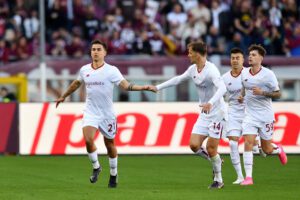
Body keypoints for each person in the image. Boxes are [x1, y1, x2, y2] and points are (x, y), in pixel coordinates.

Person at [56, 39, 152, 188]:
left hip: (107, 114)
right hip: (91, 112)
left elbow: (126, 86)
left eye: (99, 49)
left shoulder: (111, 70)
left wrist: (144, 87)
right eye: (93, 49)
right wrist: (63, 95)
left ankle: (114, 173)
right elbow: (76, 83)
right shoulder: (84, 70)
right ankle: (96, 167)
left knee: (109, 144)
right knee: (88, 140)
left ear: (105, 53)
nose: (95, 51)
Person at [148, 41, 227, 189]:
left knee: (211, 149)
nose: (188, 54)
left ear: (198, 53)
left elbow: (222, 88)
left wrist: (210, 102)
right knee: (194, 145)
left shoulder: (212, 70)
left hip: (217, 113)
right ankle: (217, 160)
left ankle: (218, 180)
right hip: (204, 113)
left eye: (190, 52)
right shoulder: (193, 69)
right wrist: (158, 87)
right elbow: (178, 79)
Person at [239, 44, 287, 186]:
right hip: (250, 115)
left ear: (261, 58)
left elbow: (278, 94)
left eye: (254, 55)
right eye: (250, 55)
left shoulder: (268, 74)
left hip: (265, 116)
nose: (250, 57)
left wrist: (263, 93)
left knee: (266, 150)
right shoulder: (244, 73)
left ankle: (278, 149)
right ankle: (249, 178)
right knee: (247, 142)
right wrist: (241, 96)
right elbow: (244, 86)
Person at [222, 48, 265, 185]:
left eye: (237, 58)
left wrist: (246, 96)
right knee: (233, 143)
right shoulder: (224, 78)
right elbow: (220, 96)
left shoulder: (249, 74)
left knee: (253, 147)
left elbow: (258, 91)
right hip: (234, 112)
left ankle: (263, 146)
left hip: (249, 112)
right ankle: (241, 176)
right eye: (232, 58)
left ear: (243, 60)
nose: (235, 60)